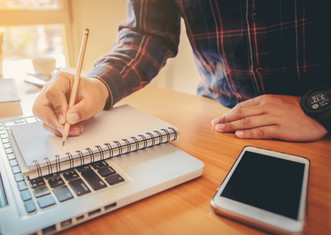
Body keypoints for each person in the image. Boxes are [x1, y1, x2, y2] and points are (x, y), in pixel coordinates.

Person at [33, 0, 330, 142]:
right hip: (219, 121)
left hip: (317, 125)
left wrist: (321, 107)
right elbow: (148, 33)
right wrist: (99, 84)